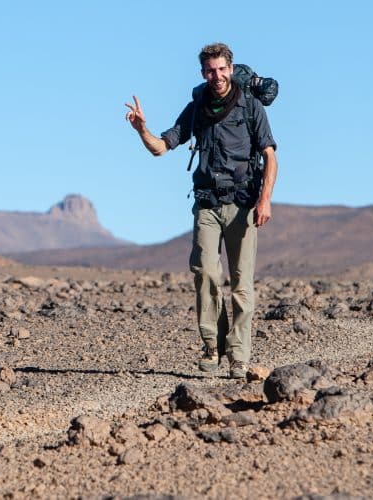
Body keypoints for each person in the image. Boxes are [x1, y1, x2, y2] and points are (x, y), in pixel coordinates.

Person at [124, 42, 278, 379]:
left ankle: (239, 355)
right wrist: (141, 130)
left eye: (222, 69)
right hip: (207, 202)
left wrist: (264, 199)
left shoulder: (250, 106)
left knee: (241, 283)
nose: (217, 75)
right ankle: (212, 347)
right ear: (203, 72)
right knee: (205, 273)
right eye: (211, 70)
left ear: (230, 68)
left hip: (242, 204)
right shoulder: (196, 107)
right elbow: (161, 147)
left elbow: (270, 155)